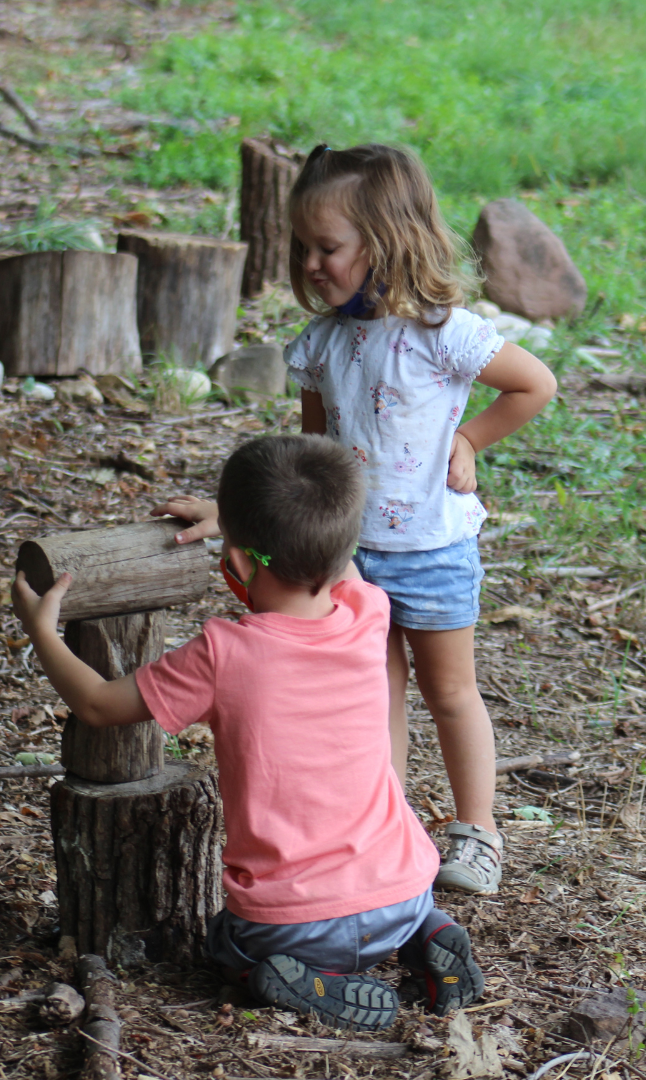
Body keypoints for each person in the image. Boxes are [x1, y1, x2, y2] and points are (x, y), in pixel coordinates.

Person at [168, 144, 557, 896]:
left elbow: (534, 385)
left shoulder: (443, 333)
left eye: (329, 248)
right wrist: (234, 515)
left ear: (387, 241)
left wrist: (470, 438)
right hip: (346, 559)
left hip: (433, 549)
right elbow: (309, 461)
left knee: (450, 692)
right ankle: (389, 826)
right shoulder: (321, 346)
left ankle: (477, 830)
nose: (312, 263)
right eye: (303, 248)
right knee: (375, 692)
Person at [14, 435, 484, 1032]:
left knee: (225, 943)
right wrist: (236, 529)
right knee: (395, 907)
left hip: (293, 923)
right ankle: (429, 935)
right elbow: (331, 557)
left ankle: (318, 982)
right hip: (406, 891)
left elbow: (99, 704)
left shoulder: (223, 655)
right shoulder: (370, 611)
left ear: (236, 565)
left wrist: (43, 632)